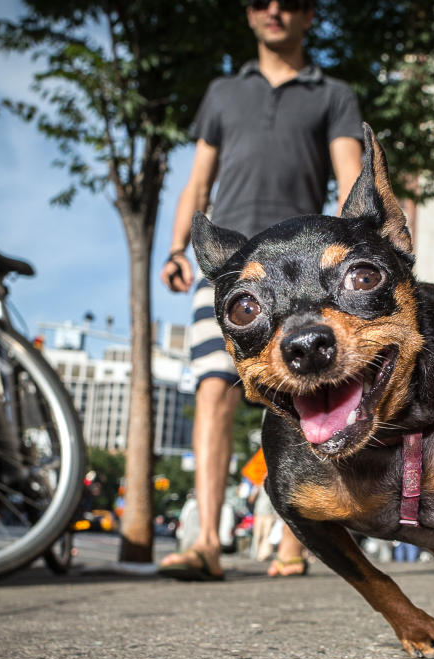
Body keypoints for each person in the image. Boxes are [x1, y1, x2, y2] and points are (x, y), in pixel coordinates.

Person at [158, 0, 363, 581]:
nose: (274, 11)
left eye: (290, 2)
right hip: (224, 270)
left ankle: (300, 539)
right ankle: (205, 542)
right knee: (212, 390)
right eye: (260, 1)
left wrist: (360, 255)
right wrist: (177, 248)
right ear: (247, 14)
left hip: (300, 271)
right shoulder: (224, 92)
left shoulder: (334, 94)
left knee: (313, 395)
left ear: (311, 15)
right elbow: (199, 181)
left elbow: (351, 179)